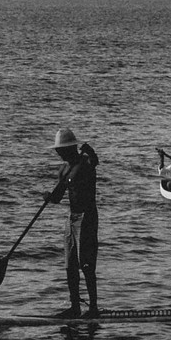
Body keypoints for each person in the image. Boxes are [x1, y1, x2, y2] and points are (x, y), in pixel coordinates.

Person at [46, 127, 99, 319]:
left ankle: (93, 308)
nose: (57, 152)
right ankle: (75, 306)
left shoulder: (85, 163)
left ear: (69, 148)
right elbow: (58, 196)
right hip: (71, 218)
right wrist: (49, 197)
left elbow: (95, 162)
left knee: (86, 265)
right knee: (70, 266)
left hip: (87, 217)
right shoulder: (64, 169)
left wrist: (91, 151)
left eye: (60, 149)